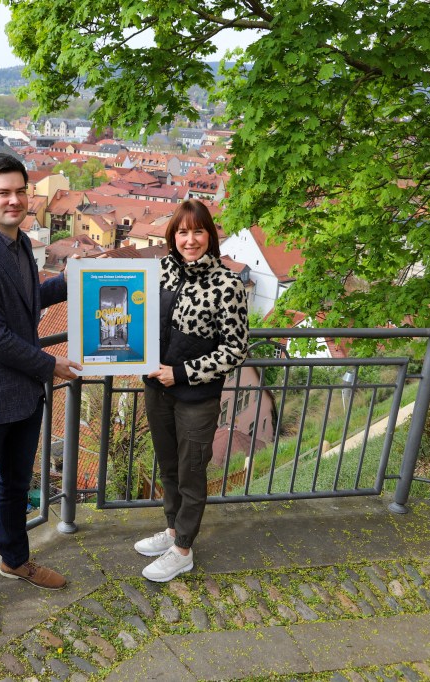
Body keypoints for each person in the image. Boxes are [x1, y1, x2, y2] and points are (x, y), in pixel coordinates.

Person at [0, 154, 83, 633]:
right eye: (3, 192)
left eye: (20, 191)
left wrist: (74, 282)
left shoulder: (21, 243)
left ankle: (15, 560)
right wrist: (53, 365)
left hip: (23, 394)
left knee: (15, 487)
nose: (14, 199)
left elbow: (29, 303)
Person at [134, 199, 249, 582]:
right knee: (168, 467)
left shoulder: (228, 285)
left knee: (191, 472)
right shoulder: (158, 272)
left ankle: (183, 549)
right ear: (173, 236)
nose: (190, 239)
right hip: (156, 390)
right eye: (182, 231)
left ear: (210, 235)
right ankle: (171, 530)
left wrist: (180, 373)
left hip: (196, 397)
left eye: (198, 231)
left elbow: (235, 350)